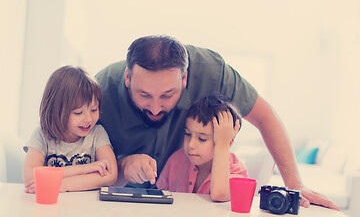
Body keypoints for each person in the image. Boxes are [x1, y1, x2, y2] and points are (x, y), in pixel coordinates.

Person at [95, 35, 340, 210]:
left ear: (184, 79)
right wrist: (123, 163)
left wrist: (295, 183)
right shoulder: (102, 87)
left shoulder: (212, 70)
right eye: (144, 95)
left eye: (168, 95)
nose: (156, 108)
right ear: (127, 78)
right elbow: (77, 155)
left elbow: (265, 117)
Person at [22, 65, 118, 193]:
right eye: (78, 113)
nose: (89, 118)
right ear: (55, 111)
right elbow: (30, 176)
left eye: (94, 109)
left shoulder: (97, 133)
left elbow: (110, 175)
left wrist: (61, 184)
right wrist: (84, 169)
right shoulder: (41, 135)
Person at [156, 94, 247, 202]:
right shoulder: (176, 160)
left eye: (202, 139)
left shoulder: (236, 170)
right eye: (187, 134)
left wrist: (222, 146)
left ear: (227, 142)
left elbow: (220, 194)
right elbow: (159, 198)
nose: (191, 145)